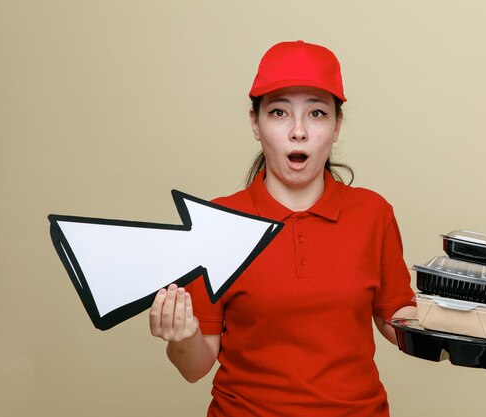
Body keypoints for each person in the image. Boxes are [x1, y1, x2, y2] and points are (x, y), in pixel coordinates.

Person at [149, 40, 417, 417]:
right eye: (278, 112)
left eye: (317, 114)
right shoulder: (217, 223)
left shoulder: (374, 213)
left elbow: (396, 320)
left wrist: (461, 325)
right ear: (255, 124)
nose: (298, 131)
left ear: (337, 126)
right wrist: (182, 337)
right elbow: (195, 367)